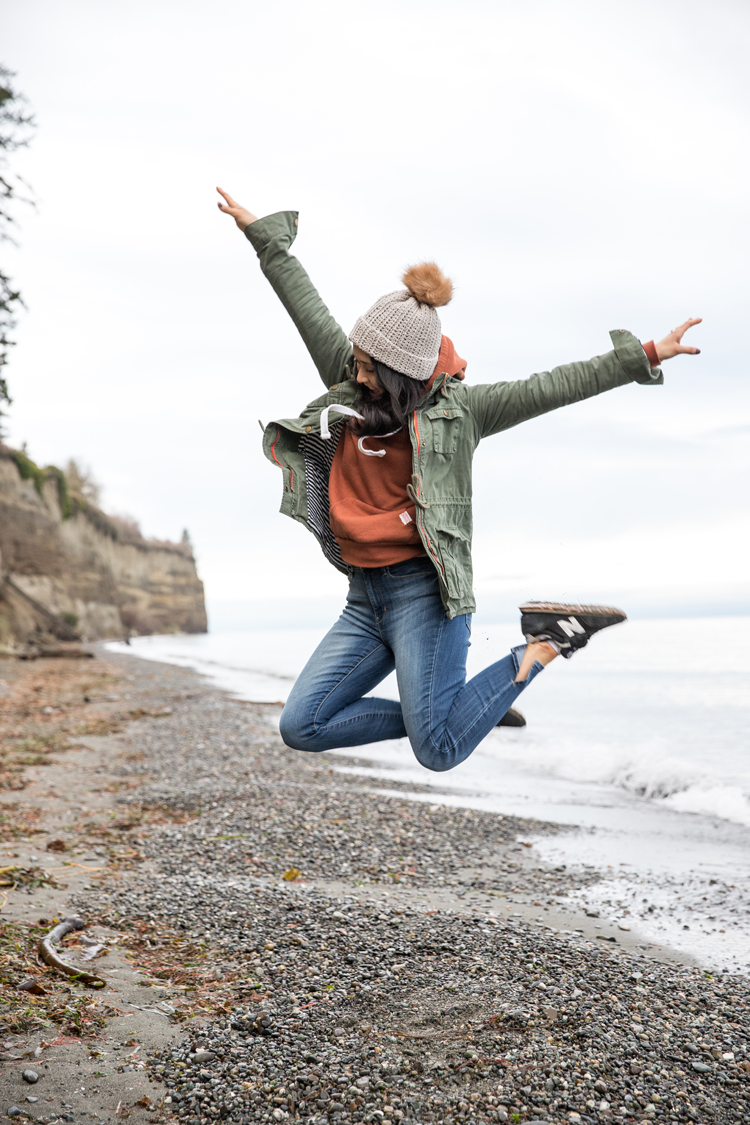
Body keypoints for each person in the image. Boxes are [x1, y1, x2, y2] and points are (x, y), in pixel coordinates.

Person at [217, 188, 701, 773]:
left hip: (426, 596)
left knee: (439, 751)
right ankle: (467, 707)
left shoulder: (462, 413)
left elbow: (553, 386)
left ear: (402, 372)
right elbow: (306, 308)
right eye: (358, 358)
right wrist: (264, 237)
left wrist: (645, 353)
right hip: (364, 598)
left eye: (370, 366)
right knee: (304, 725)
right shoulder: (350, 380)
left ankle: (546, 643)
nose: (356, 369)